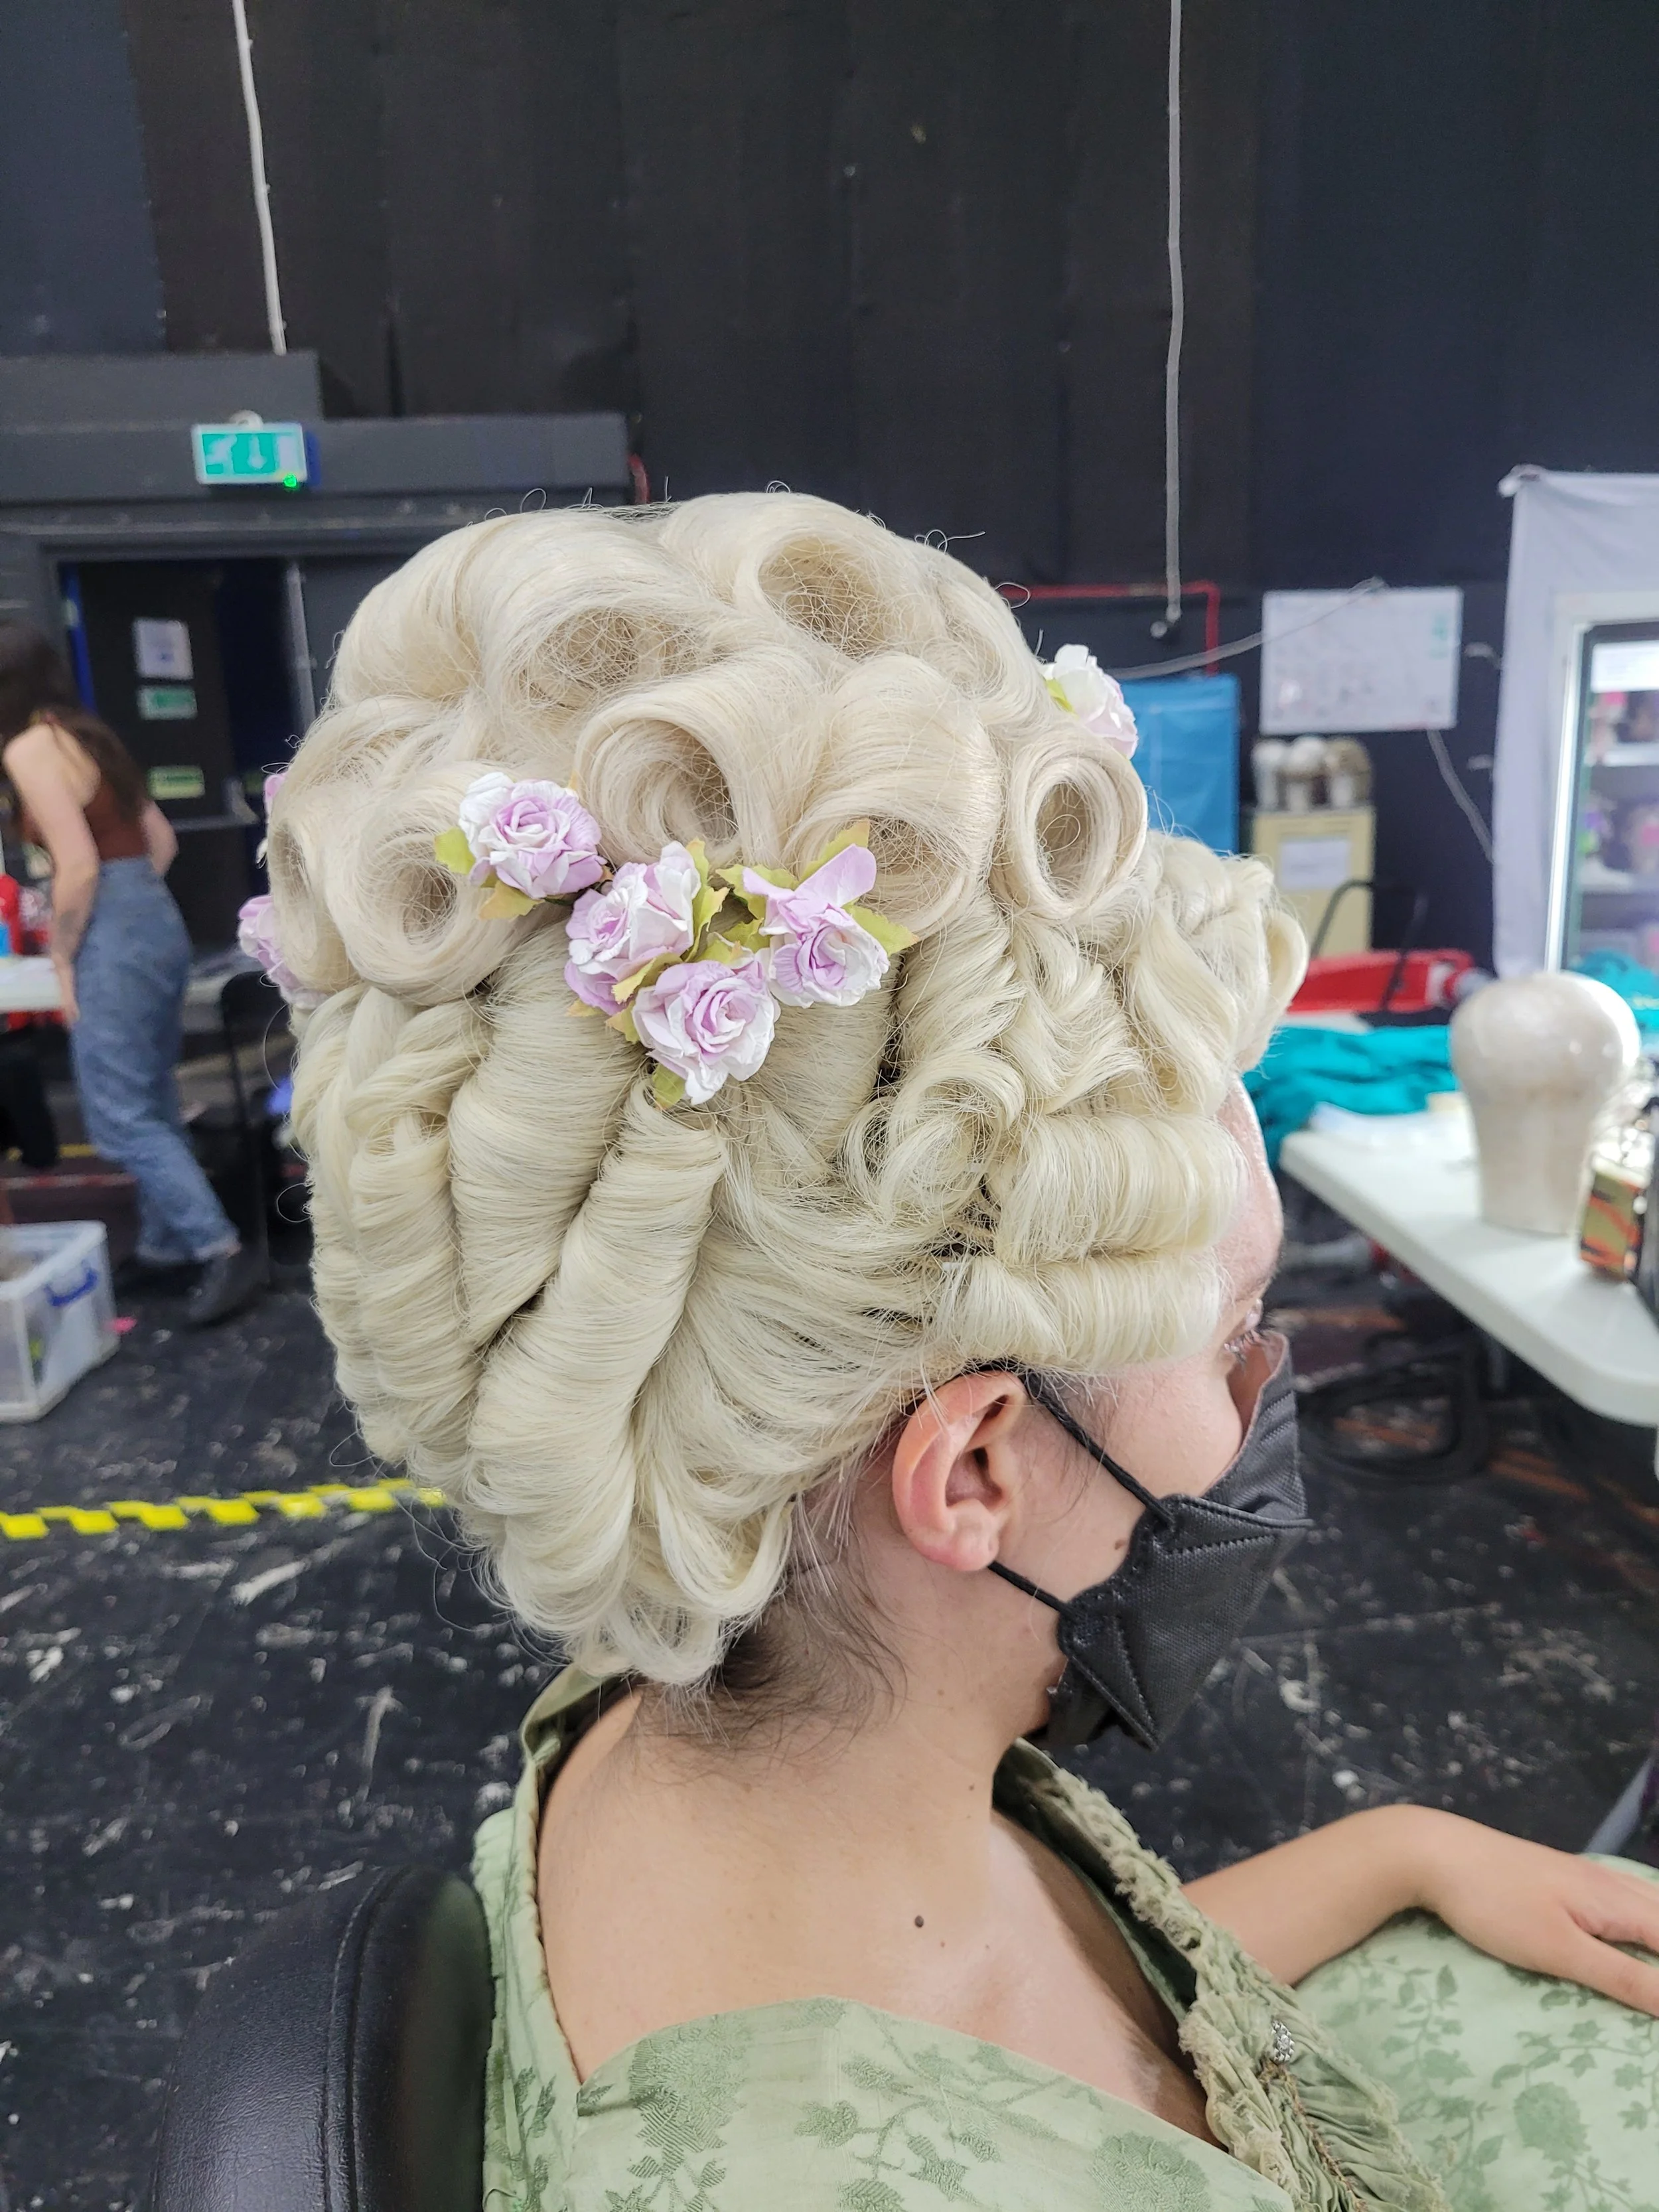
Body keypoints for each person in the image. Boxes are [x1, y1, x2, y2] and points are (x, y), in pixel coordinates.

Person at [266, 496, 1658, 2210]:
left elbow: (1050, 2019)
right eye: (1228, 1336)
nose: (1256, 1399)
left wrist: (1396, 1847)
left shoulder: (686, 1738)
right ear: (976, 1465)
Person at [0, 622, 263, 1325]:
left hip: (110, 926)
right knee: (147, 1098)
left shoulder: (28, 748)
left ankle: (220, 1249)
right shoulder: (91, 737)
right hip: (153, 915)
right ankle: (165, 1246)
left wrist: (62, 953)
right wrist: (128, 904)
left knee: (118, 1122)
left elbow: (78, 865)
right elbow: (162, 842)